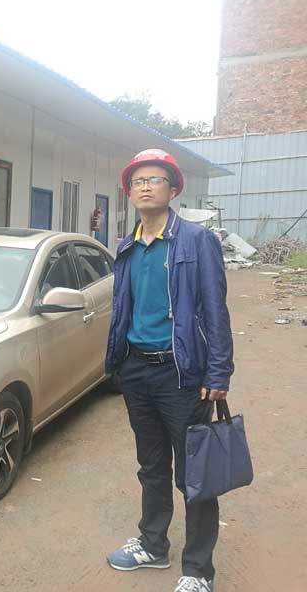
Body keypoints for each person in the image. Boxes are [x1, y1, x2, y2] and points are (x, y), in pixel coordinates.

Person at [104, 149, 233, 592]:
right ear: (129, 191)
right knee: (151, 465)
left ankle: (198, 570)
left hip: (182, 375)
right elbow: (123, 308)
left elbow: (215, 309)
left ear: (173, 189)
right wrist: (117, 362)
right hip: (137, 371)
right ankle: (153, 544)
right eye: (137, 180)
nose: (145, 186)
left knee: (194, 475)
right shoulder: (127, 246)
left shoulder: (196, 240)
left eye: (154, 179)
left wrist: (218, 371)